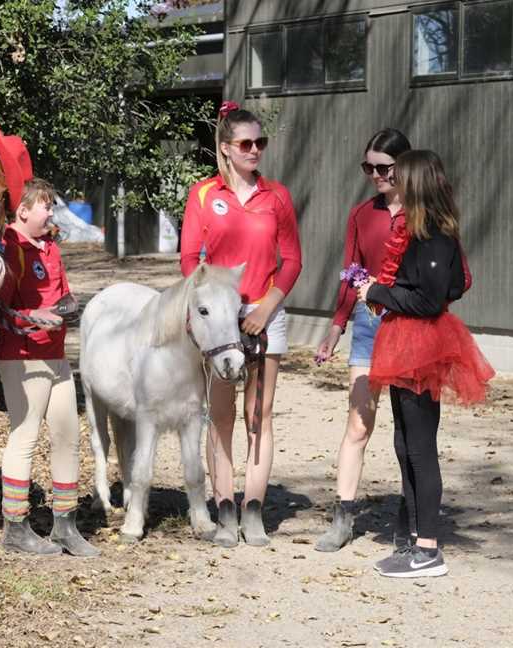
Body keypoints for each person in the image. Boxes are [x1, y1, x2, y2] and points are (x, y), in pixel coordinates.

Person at [358, 149, 494, 577]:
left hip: (420, 347)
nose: (391, 181)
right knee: (405, 444)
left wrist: (377, 293)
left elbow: (432, 297)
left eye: (399, 175)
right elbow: (451, 284)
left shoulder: (433, 235)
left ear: (415, 182)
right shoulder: (424, 232)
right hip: (405, 344)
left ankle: (429, 549)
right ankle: (416, 539)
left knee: (419, 447)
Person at [180, 101, 302, 547]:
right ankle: (225, 507)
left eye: (260, 143)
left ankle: (254, 509)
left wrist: (267, 306)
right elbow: (190, 259)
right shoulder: (203, 195)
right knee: (222, 416)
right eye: (246, 143)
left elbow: (292, 260)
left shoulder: (278, 197)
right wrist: (218, 305)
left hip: (267, 314)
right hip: (222, 323)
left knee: (260, 415)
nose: (255, 150)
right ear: (227, 148)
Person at [314, 128, 412, 552]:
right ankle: (343, 516)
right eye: (367, 167)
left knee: (411, 430)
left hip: (412, 327)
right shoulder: (361, 214)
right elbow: (349, 272)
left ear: (404, 165)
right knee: (358, 423)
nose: (374, 175)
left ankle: (412, 514)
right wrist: (336, 326)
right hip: (368, 324)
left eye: (383, 167)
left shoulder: (425, 212)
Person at [0, 176, 99, 557]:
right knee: (25, 437)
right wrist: (34, 317)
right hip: (21, 357)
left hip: (56, 356)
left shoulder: (49, 246)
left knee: (68, 436)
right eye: (46, 206)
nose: (52, 212)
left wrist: (69, 309)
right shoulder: (8, 247)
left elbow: (63, 293)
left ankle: (64, 527)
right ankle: (15, 528)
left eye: (51, 205)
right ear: (22, 211)